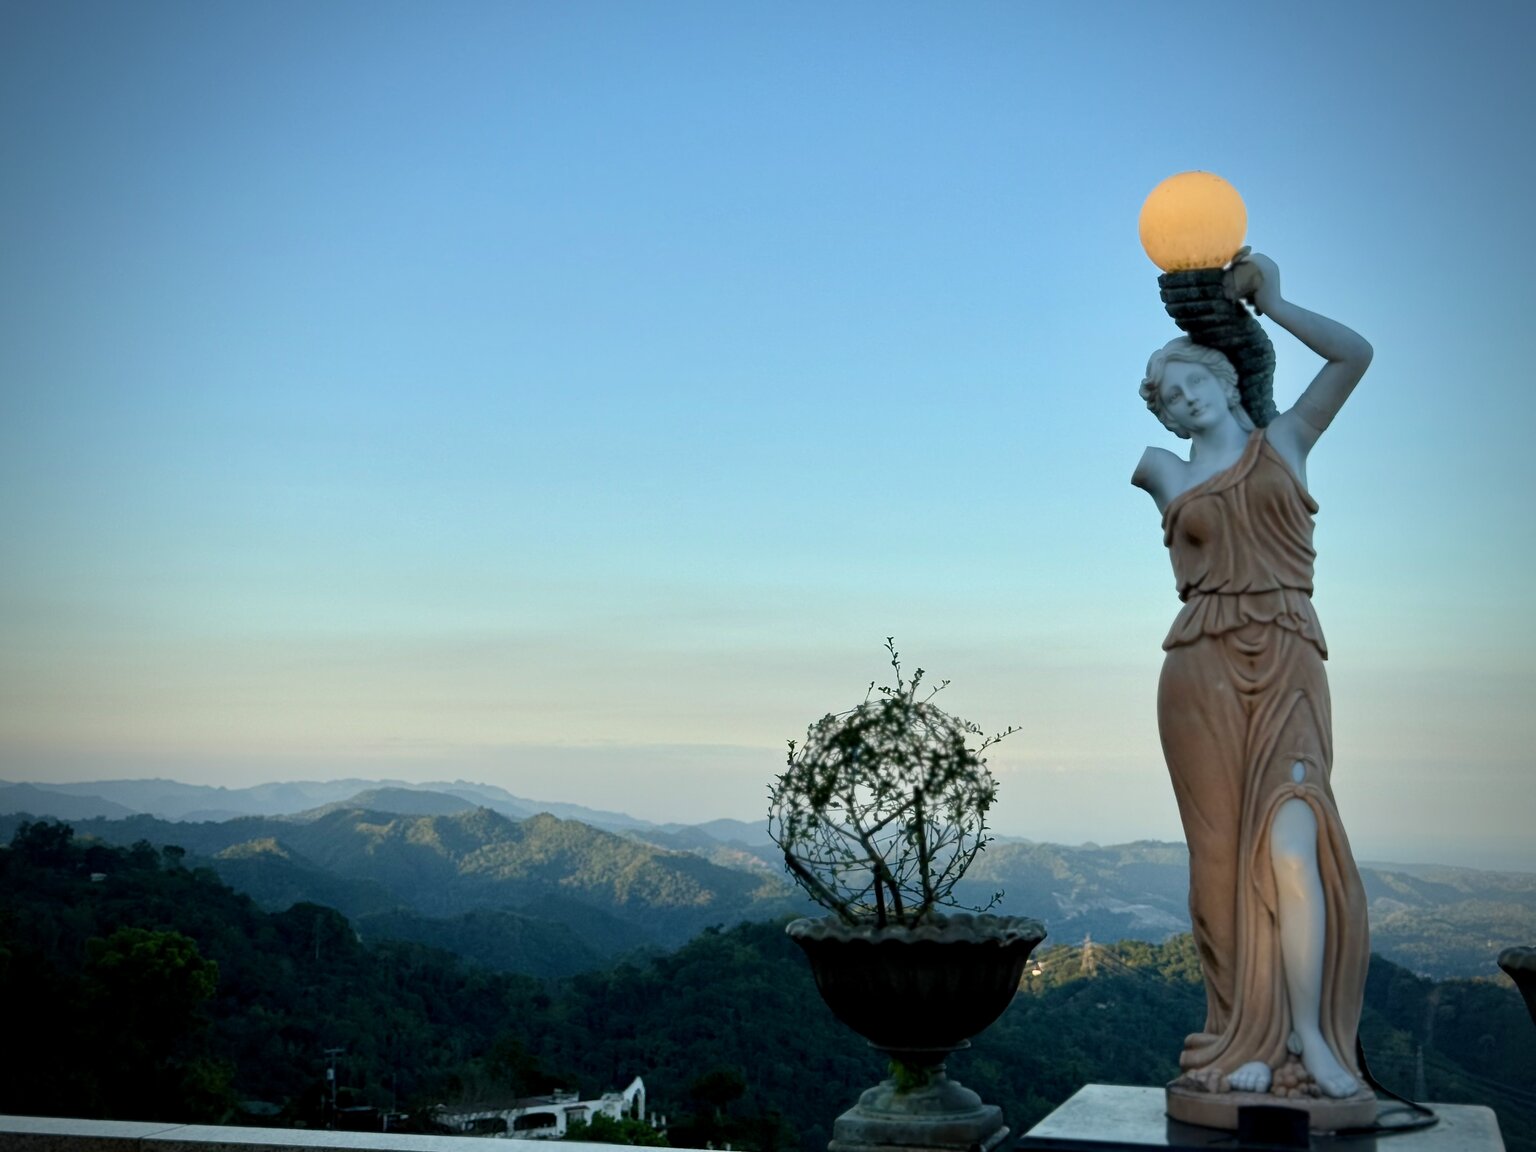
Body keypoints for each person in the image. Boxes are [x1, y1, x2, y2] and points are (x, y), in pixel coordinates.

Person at [1131, 253, 1373, 1099]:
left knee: (1292, 845)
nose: (1181, 399)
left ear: (1227, 376)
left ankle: (1310, 1035)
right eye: (1167, 396)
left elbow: (1353, 356)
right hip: (1197, 667)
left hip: (1289, 654)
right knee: (1220, 864)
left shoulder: (1288, 442)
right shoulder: (1165, 471)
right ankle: (1246, 1037)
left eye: (1191, 380)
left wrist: (1272, 302)